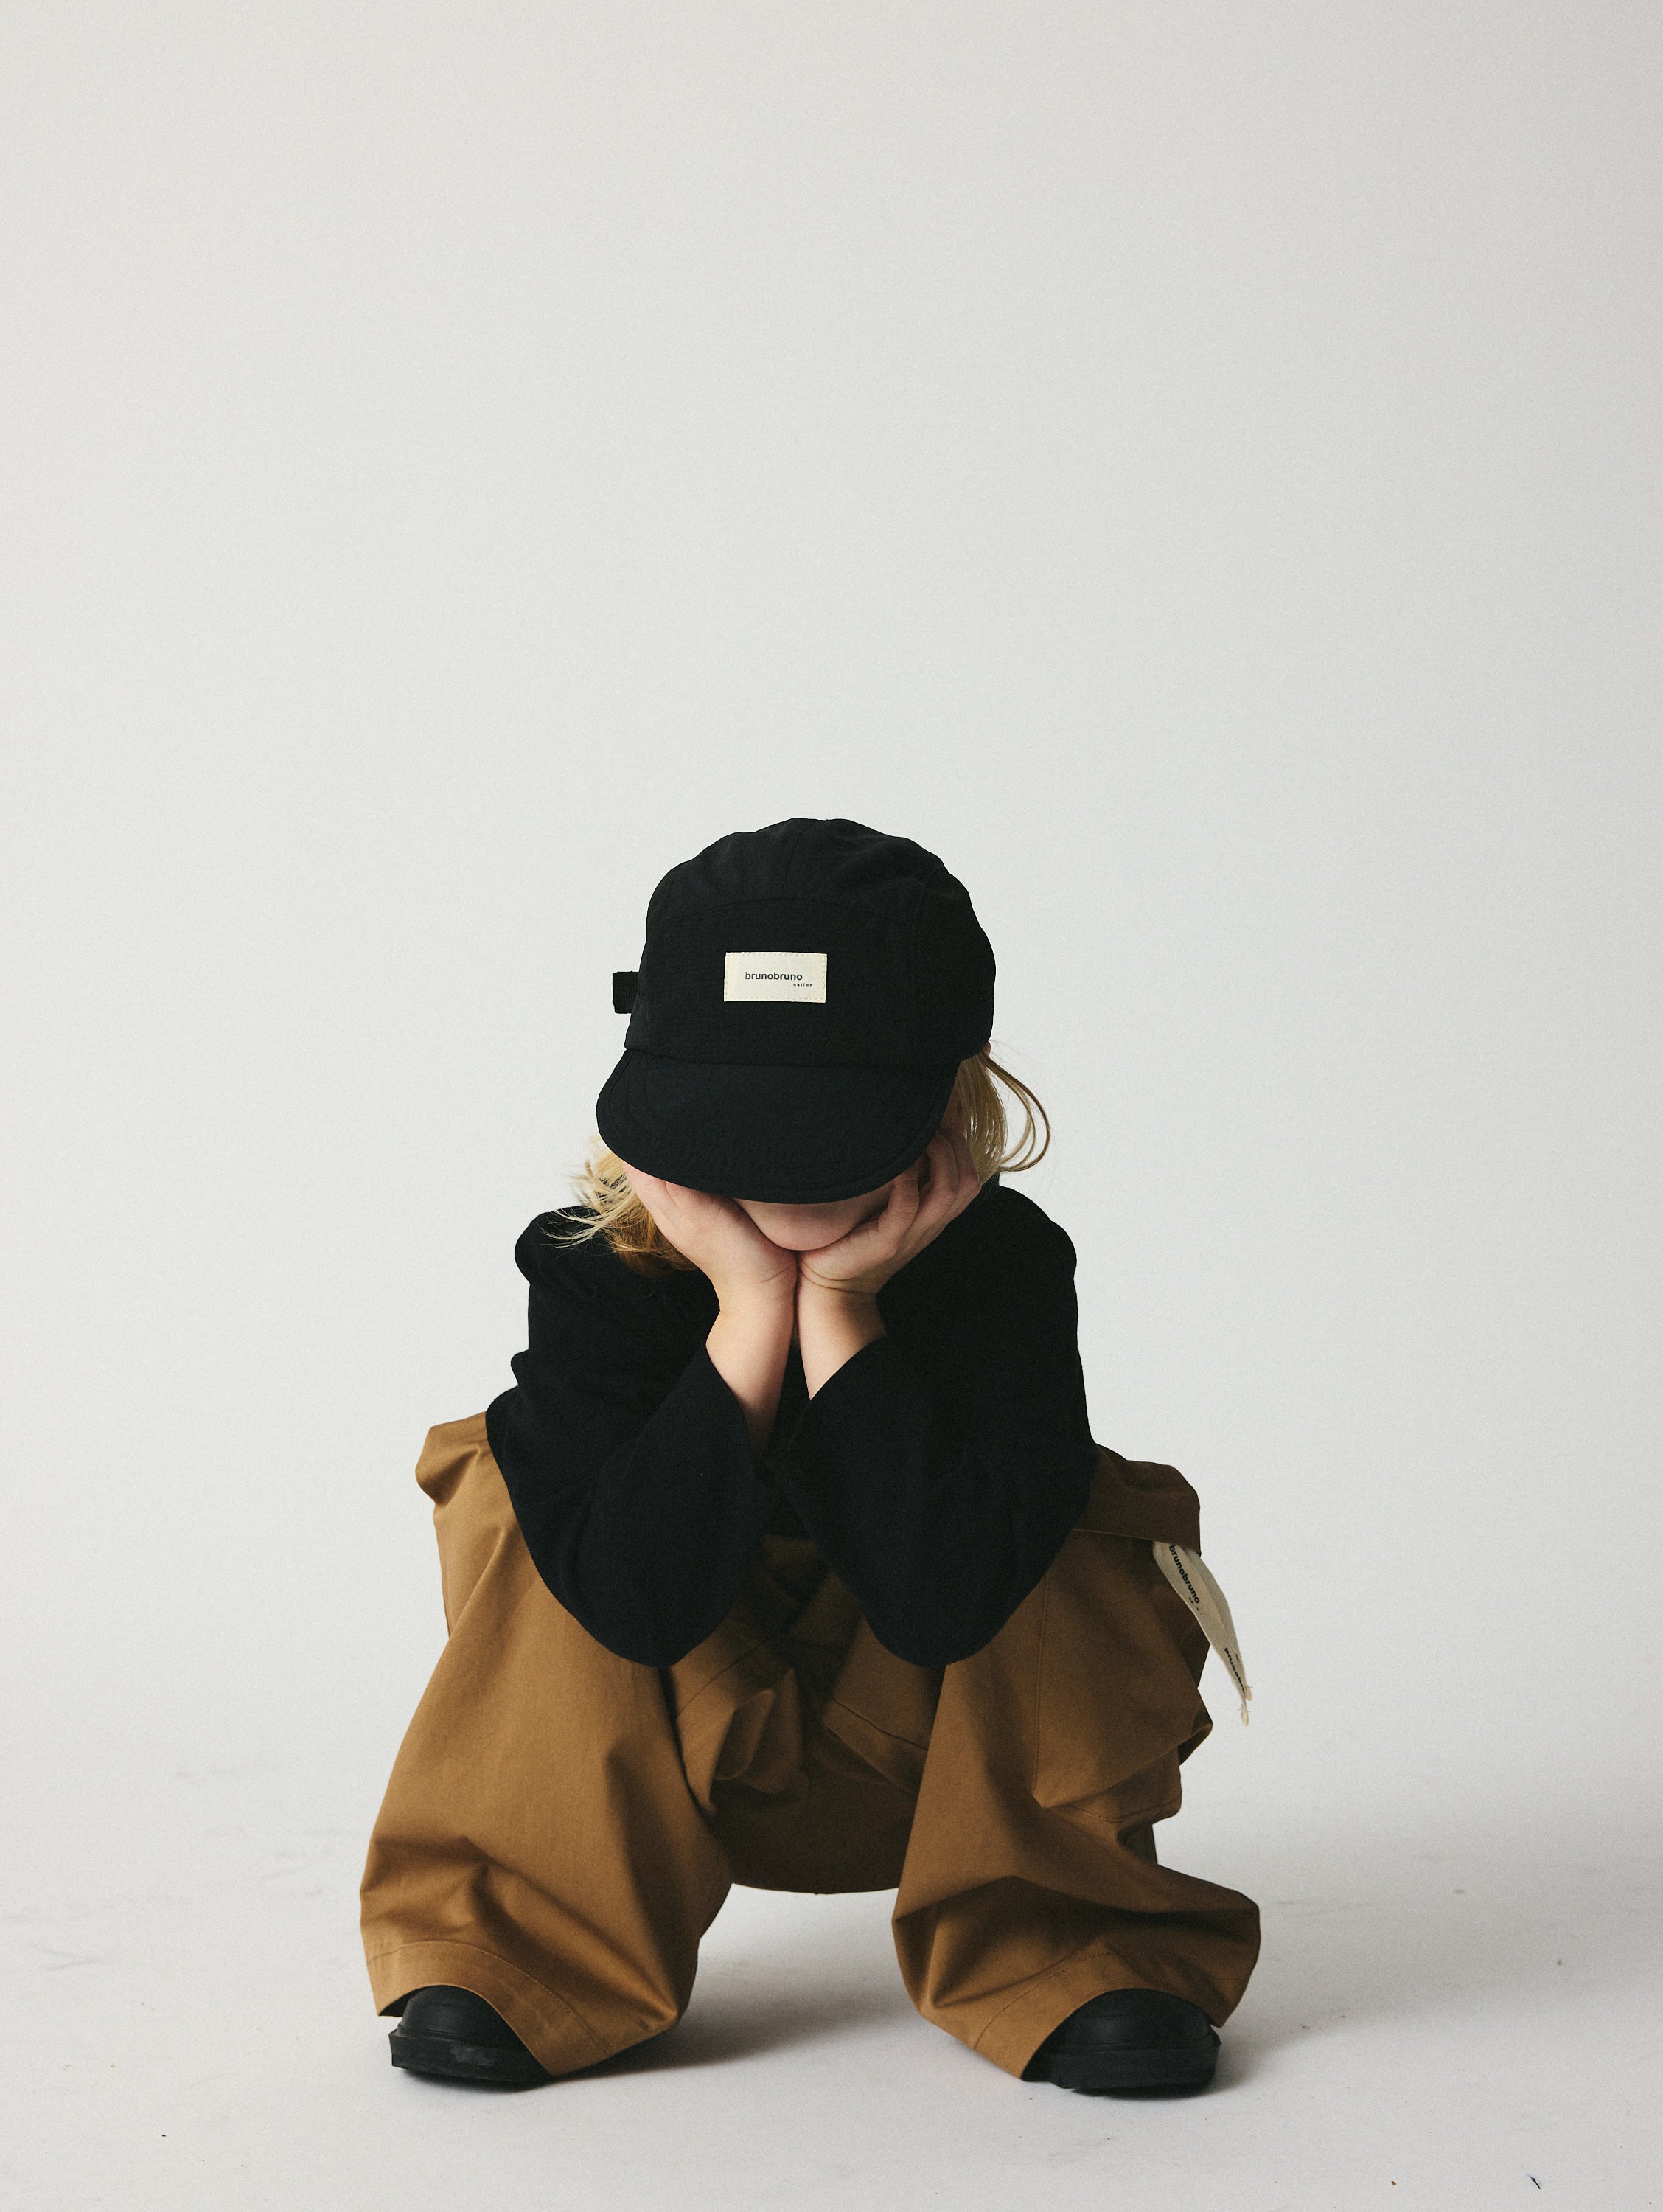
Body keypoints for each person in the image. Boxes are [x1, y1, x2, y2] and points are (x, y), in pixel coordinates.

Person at [360, 816, 1259, 2096]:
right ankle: (528, 1943)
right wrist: (747, 1315)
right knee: (520, 1484)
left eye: (823, 1122)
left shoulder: (1002, 1266)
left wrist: (840, 1309)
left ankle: (1070, 1937)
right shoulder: (591, 1268)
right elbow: (630, 1601)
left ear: (953, 1092)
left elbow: (952, 1594)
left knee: (1074, 1508)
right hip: (668, 1734)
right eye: (739, 1122)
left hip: (935, 1750)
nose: (782, 1170)